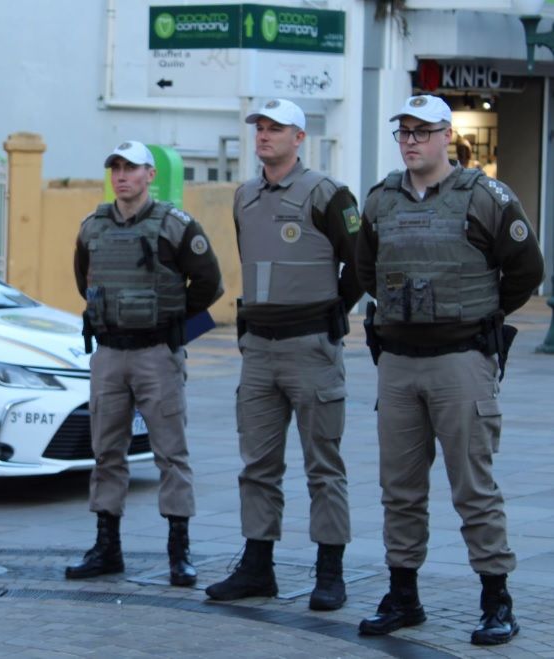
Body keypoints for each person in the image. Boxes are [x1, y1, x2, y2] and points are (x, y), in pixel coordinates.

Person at [356, 95, 544, 645]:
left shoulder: (485, 197)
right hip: (397, 364)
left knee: (473, 486)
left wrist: (475, 319)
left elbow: (525, 270)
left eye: (422, 131)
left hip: (462, 361)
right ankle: (404, 595)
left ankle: (496, 599)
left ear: (446, 137)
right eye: (404, 132)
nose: (411, 140)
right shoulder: (381, 201)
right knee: (400, 486)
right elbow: (367, 269)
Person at [204, 99, 363, 611]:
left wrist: (333, 310)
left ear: (300, 137)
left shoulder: (328, 194)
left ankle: (330, 571)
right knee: (257, 463)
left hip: (311, 347)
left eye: (277, 129)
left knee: (324, 464)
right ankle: (257, 566)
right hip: (259, 350)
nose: (264, 136)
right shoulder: (245, 196)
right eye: (260, 128)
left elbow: (361, 262)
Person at [67, 140, 223, 586]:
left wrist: (169, 320)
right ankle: (106, 547)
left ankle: (179, 550)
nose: (122, 175)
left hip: (157, 354)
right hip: (110, 353)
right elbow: (85, 281)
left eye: (131, 168)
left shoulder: (174, 226)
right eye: (115, 167)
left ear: (150, 175)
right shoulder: (91, 228)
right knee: (106, 453)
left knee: (171, 453)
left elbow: (209, 283)